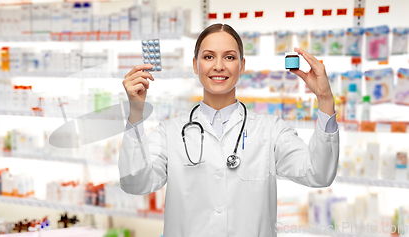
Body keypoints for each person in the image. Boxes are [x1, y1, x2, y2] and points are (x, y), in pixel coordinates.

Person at [119, 23, 339, 236]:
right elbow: (135, 183)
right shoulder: (170, 131)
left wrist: (325, 98)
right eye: (208, 56)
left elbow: (318, 174)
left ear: (242, 65)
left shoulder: (271, 130)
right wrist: (136, 113)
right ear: (195, 65)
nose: (218, 66)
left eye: (229, 57)